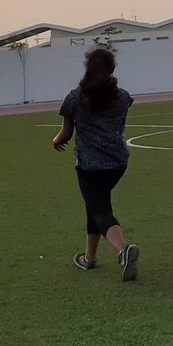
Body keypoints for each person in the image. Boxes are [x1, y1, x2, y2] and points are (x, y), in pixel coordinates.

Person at [52, 48, 140, 281]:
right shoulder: (123, 97)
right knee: (95, 205)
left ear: (88, 68)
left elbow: (66, 133)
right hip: (118, 163)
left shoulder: (75, 97)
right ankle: (90, 259)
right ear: (111, 69)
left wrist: (55, 141)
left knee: (100, 210)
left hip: (89, 165)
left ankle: (122, 252)